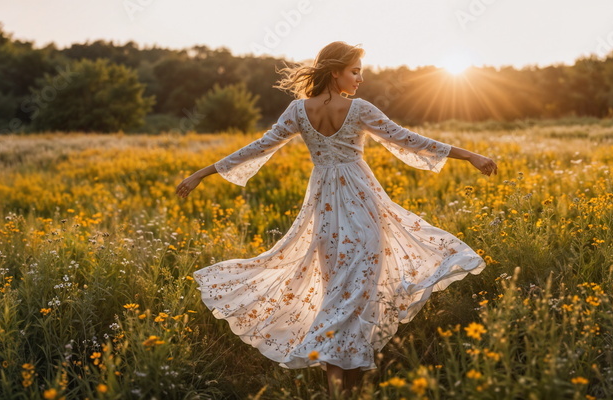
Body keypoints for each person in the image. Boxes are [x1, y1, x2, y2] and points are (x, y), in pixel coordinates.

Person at [176, 41, 497, 397]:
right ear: (335, 72)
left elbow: (257, 146)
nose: (360, 78)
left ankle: (340, 392)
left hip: (325, 213)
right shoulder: (357, 108)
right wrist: (469, 155)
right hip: (362, 209)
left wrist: (201, 174)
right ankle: (345, 393)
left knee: (339, 301)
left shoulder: (298, 111)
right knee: (352, 302)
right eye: (355, 70)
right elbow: (408, 140)